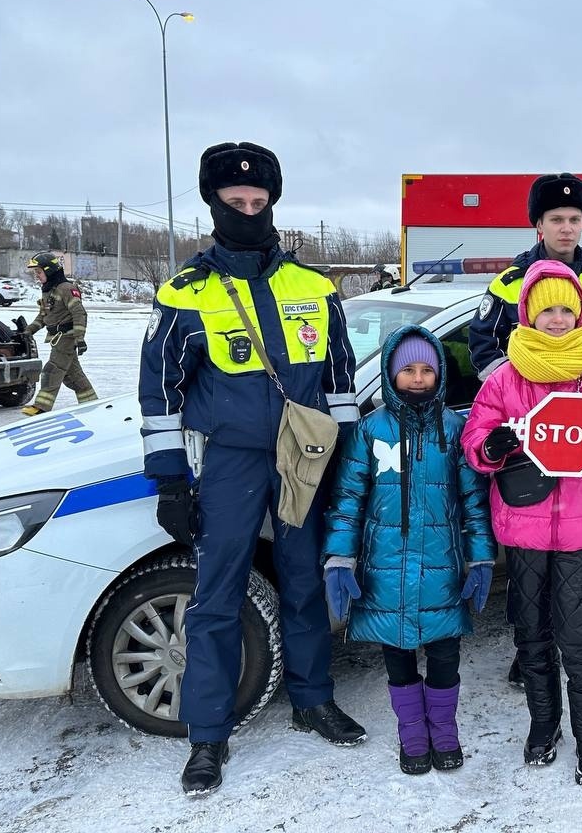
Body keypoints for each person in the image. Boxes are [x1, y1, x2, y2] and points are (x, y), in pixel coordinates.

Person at [139, 141, 364, 796]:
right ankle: (207, 737)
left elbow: (340, 378)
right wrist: (171, 479)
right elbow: (160, 392)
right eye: (234, 203)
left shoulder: (314, 287)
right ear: (213, 205)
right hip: (231, 463)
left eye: (257, 201)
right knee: (216, 598)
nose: (246, 210)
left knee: (304, 582)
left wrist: (345, 459)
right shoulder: (185, 292)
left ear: (273, 203)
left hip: (303, 457)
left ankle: (313, 699)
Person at [468, 172, 582, 681]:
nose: (566, 228)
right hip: (530, 443)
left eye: (574, 220)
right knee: (531, 552)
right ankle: (533, 648)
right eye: (555, 220)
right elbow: (482, 350)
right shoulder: (507, 283)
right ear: (537, 224)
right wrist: (517, 398)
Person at [462, 260, 582, 789]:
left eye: (565, 308)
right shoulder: (506, 377)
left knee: (581, 641)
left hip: (580, 533)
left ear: (579, 313)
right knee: (531, 637)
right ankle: (543, 726)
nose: (557, 319)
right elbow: (475, 439)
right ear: (528, 314)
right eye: (546, 309)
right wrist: (492, 447)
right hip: (524, 530)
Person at [323, 325, 496, 775]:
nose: (418, 379)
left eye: (426, 370)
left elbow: (475, 502)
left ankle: (444, 730)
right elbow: (348, 501)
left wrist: (481, 557)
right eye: (407, 371)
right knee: (397, 659)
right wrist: (340, 558)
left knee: (444, 658)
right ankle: (412, 734)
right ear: (390, 374)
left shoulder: (456, 430)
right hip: (385, 572)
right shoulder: (370, 431)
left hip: (443, 569)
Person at [21, 254, 96, 415]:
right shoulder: (48, 290)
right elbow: (43, 316)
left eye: (39, 272)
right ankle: (91, 404)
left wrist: (80, 338)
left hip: (66, 337)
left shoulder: (66, 289)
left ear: (50, 271)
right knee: (73, 376)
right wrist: (28, 330)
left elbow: (79, 313)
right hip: (56, 338)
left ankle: (41, 407)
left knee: (51, 370)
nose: (37, 276)